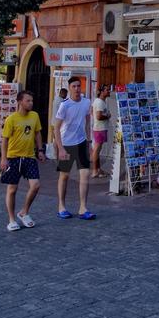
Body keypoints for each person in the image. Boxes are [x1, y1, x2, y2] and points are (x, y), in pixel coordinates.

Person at [0, 90, 45, 232]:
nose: (31, 103)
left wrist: (40, 150)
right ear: (20, 102)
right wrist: (3, 158)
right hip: (13, 158)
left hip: (29, 157)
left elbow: (37, 133)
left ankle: (24, 211)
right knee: (12, 189)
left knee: (36, 185)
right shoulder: (11, 119)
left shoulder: (35, 116)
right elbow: (4, 140)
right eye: (28, 101)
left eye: (31, 100)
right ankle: (12, 219)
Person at [54, 76, 95, 220]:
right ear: (69, 88)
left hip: (82, 143)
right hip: (66, 144)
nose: (77, 89)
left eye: (79, 86)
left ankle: (83, 208)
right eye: (74, 86)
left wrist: (89, 143)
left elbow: (88, 123)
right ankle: (61, 207)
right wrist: (61, 149)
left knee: (85, 174)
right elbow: (56, 128)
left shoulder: (86, 102)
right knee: (64, 175)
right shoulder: (64, 105)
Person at [91, 83, 111, 178]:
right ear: (102, 92)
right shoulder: (99, 102)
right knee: (96, 150)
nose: (109, 91)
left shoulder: (100, 102)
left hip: (100, 128)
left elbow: (92, 112)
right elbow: (98, 116)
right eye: (107, 90)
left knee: (97, 150)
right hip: (100, 128)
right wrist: (107, 116)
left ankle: (98, 169)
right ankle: (95, 170)